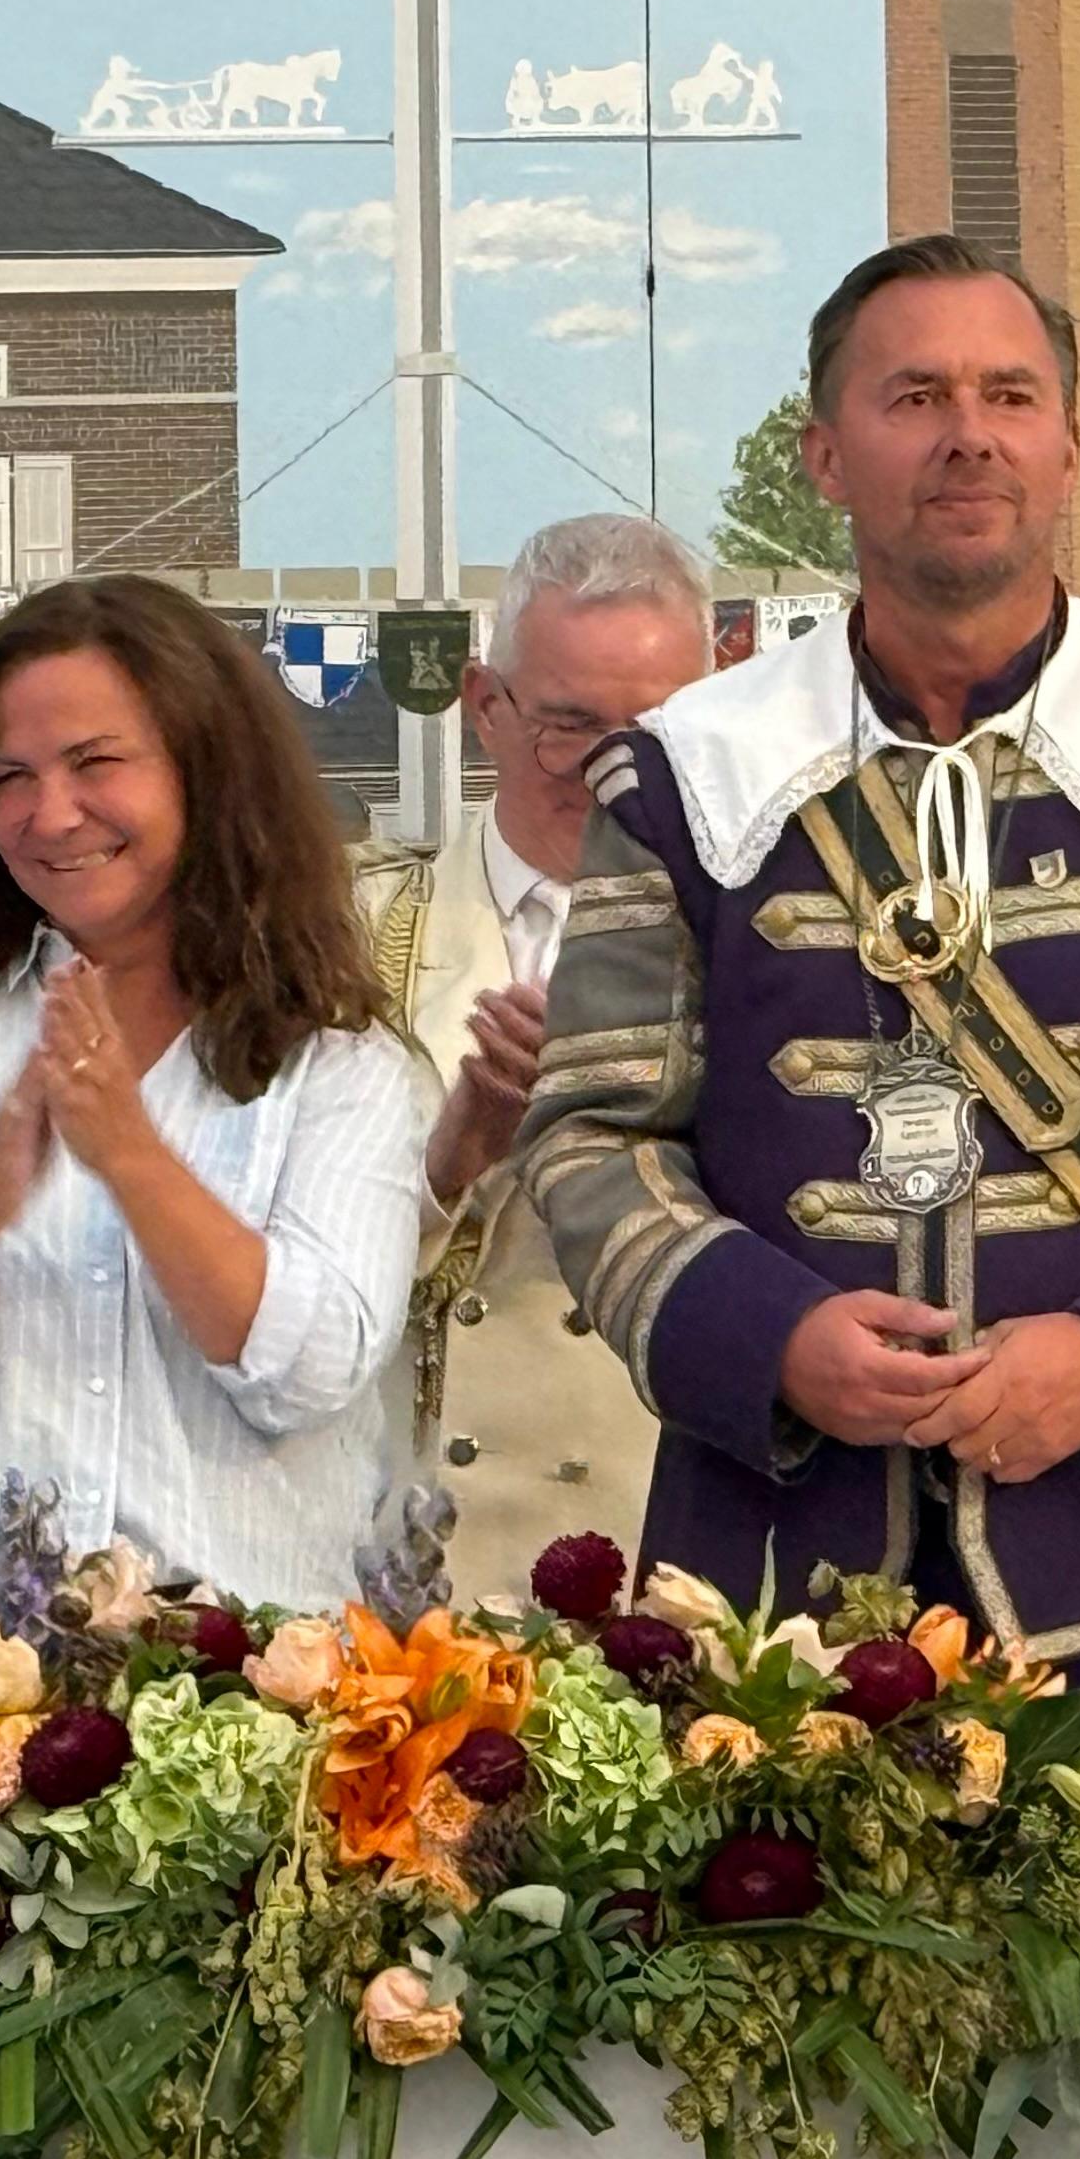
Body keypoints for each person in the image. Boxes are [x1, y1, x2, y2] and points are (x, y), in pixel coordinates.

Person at [523, 235, 1080, 1805]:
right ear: (823, 453)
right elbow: (592, 1140)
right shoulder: (681, 776)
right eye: (915, 396)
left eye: (1010, 395)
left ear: (1067, 445)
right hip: (761, 1615)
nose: (968, 434)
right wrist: (770, 1337)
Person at [0, 575, 427, 1608]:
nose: (52, 813)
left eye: (94, 763)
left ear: (208, 773)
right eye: (12, 776)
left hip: (246, 1681)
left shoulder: (342, 1067)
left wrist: (129, 1153)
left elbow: (310, 1374)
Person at [354, 516, 713, 1599]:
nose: (614, 769)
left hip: (675, 1547)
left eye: (656, 730)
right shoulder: (354, 934)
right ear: (485, 705)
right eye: (569, 725)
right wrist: (453, 1156)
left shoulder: (778, 943)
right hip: (424, 1562)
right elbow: (270, 1273)